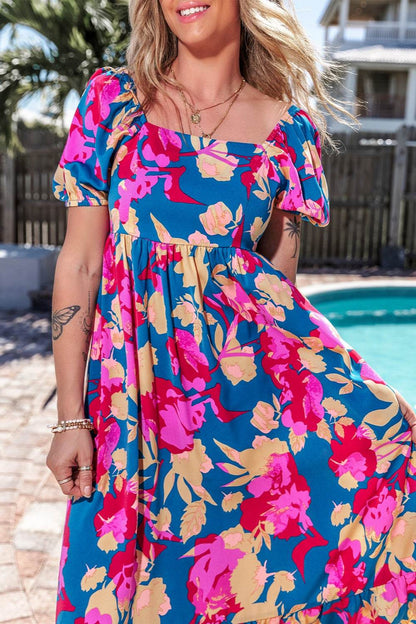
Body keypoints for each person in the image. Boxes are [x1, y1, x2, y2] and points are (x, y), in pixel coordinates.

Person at [46, 0, 416, 622]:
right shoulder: (114, 103)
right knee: (111, 586)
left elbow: (278, 299)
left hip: (238, 417)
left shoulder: (288, 134)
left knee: (233, 589)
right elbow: (80, 263)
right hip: (130, 406)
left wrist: (363, 411)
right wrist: (69, 418)